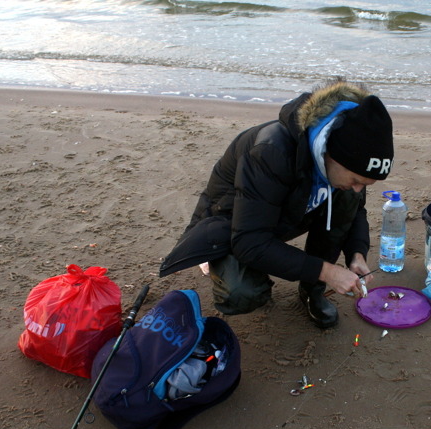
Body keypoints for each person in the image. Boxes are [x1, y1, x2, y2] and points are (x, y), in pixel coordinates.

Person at [159, 78, 394, 328]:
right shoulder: (271, 151)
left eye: (366, 185)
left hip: (286, 211)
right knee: (242, 293)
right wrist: (327, 271)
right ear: (331, 153)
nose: (359, 188)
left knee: (346, 197)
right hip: (231, 222)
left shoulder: (345, 162)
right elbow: (249, 241)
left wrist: (357, 253)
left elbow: (355, 210)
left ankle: (311, 291)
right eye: (357, 179)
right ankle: (220, 263)